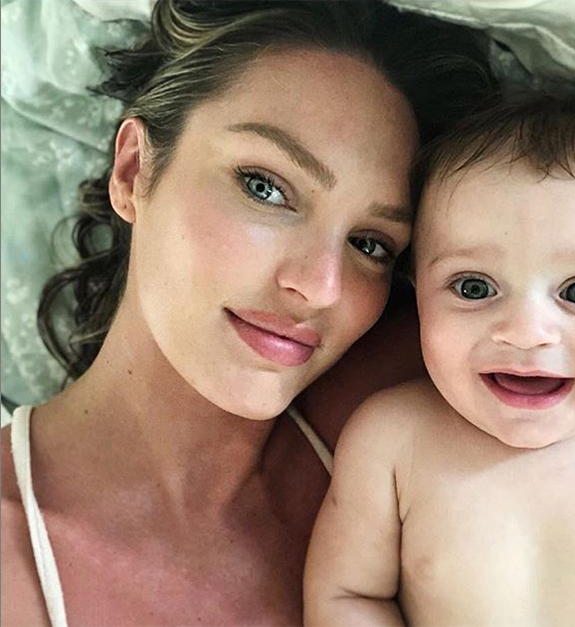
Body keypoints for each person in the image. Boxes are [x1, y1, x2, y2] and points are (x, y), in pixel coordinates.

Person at [0, 1, 495, 625]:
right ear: (133, 171)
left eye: (370, 244)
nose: (320, 287)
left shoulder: (408, 410)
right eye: (266, 188)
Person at [304, 92, 575, 626]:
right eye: (473, 287)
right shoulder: (391, 442)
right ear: (417, 300)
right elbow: (348, 596)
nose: (525, 333)